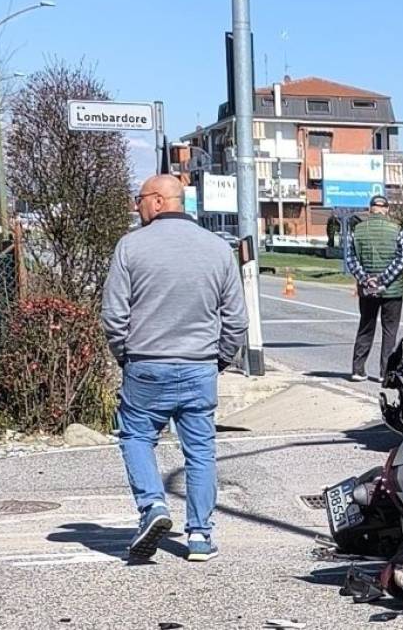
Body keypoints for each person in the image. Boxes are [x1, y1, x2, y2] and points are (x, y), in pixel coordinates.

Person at [101, 175, 248, 563]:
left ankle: (153, 507)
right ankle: (199, 536)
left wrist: (124, 355)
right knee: (200, 452)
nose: (137, 206)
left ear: (160, 201)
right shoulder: (218, 249)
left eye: (140, 199)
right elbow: (236, 320)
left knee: (135, 437)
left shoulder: (131, 247)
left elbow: (114, 316)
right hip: (199, 366)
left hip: (146, 365)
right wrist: (220, 359)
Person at [344, 193, 403, 382]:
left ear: (370, 209)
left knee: (366, 326)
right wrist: (383, 279)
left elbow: (350, 259)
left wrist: (366, 279)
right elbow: (401, 260)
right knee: (390, 331)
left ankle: (358, 369)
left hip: (367, 291)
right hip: (393, 290)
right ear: (387, 209)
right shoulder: (398, 230)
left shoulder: (356, 230)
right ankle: (385, 373)